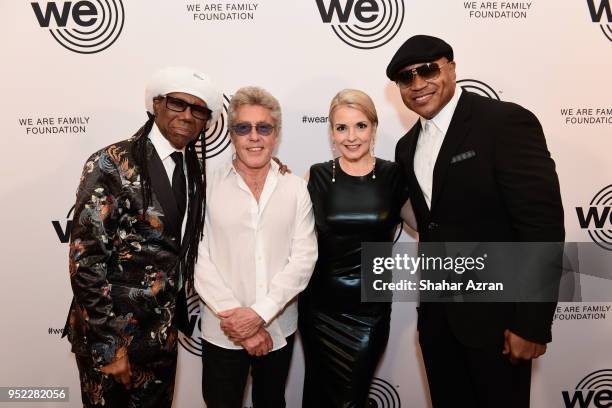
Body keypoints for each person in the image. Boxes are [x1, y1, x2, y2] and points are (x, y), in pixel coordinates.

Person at [388, 35, 565, 407]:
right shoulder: (406, 147)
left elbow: (541, 226)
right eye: (406, 78)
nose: (418, 84)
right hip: (437, 325)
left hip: (499, 323)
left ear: (451, 68)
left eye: (428, 70)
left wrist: (531, 322)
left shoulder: (504, 123)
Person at [63, 66, 222, 407]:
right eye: (179, 103)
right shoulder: (111, 163)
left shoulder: (193, 169)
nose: (188, 115)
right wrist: (109, 346)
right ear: (157, 105)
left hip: (162, 336)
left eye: (199, 110)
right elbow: (86, 261)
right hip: (114, 337)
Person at [194, 86, 318, 408]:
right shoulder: (206, 186)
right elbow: (197, 258)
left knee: (271, 402)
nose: (254, 137)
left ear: (275, 134)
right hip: (223, 328)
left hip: (279, 325)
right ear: (232, 134)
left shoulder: (295, 188)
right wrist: (243, 324)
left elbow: (304, 259)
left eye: (264, 127)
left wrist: (260, 314)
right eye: (243, 128)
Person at [299, 89, 409, 407]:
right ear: (331, 132)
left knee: (351, 399)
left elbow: (427, 224)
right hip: (320, 308)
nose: (351, 137)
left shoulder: (393, 175)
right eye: (341, 128)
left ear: (374, 128)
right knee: (320, 396)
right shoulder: (316, 175)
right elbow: (293, 236)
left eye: (360, 126)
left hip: (370, 312)